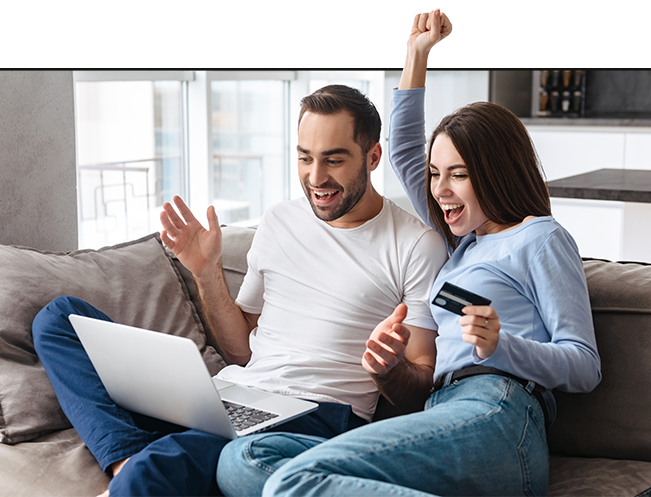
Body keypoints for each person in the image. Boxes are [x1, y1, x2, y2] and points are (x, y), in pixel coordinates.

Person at [248, 9, 602, 497]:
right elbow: (402, 151)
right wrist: (416, 55)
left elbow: (584, 366)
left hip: (498, 408)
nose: (439, 190)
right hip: (443, 410)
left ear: (496, 172)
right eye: (435, 174)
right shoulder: (460, 242)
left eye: (458, 174)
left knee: (292, 480)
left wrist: (501, 346)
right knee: (251, 463)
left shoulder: (539, 237)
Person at [31, 84, 447, 497]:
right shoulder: (279, 220)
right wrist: (206, 272)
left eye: (333, 160)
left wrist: (389, 367)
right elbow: (241, 351)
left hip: (319, 417)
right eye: (305, 158)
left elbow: (419, 388)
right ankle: (127, 460)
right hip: (236, 393)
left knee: (173, 459)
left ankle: (140, 471)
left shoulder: (415, 245)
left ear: (372, 157)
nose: (316, 177)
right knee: (59, 318)